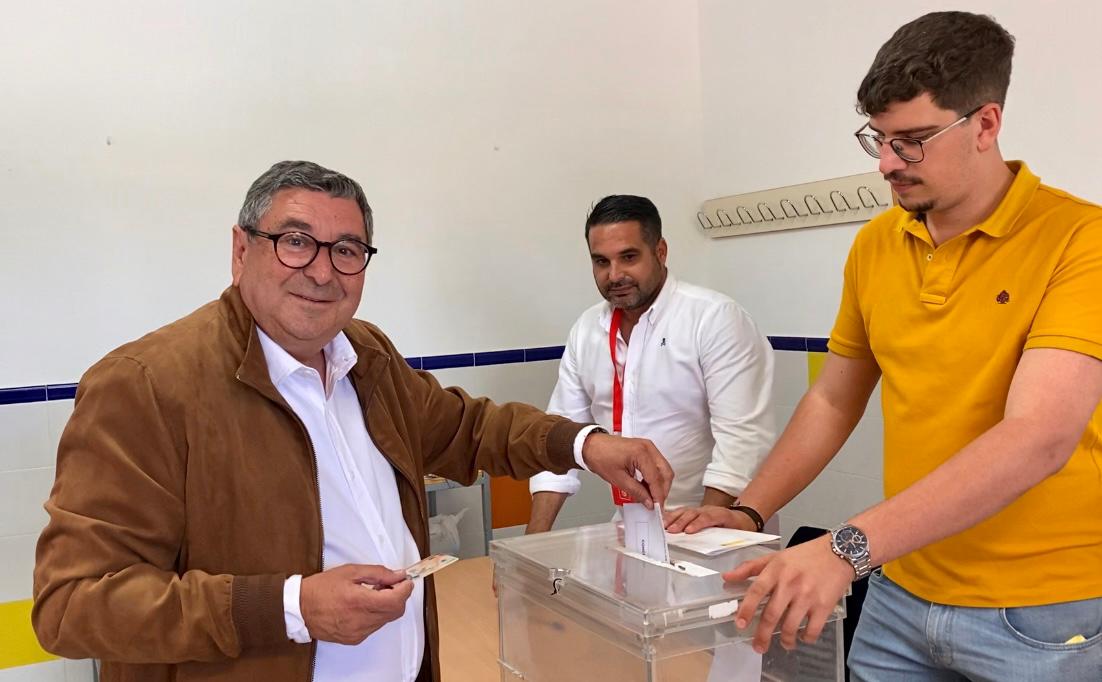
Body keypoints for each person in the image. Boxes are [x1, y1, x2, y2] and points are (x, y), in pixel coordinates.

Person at [31, 161, 673, 682]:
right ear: (240, 250)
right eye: (295, 242)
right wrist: (291, 608)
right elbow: (73, 605)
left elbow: (469, 427)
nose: (320, 270)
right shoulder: (146, 385)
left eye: (347, 250)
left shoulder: (366, 356)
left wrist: (587, 445)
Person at [713, 12, 1102, 681]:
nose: (889, 163)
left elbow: (1039, 436)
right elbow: (834, 399)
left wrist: (844, 552)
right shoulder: (875, 245)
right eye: (879, 139)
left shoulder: (1080, 241)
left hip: (1041, 614)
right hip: (900, 589)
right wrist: (745, 510)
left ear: (985, 124)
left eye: (914, 140)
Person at [526, 194, 774, 534]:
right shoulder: (586, 330)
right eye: (601, 262)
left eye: (628, 257)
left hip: (721, 523)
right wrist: (529, 550)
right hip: (634, 525)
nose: (615, 275)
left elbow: (743, 441)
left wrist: (702, 529)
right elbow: (560, 441)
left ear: (660, 251)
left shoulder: (713, 318)